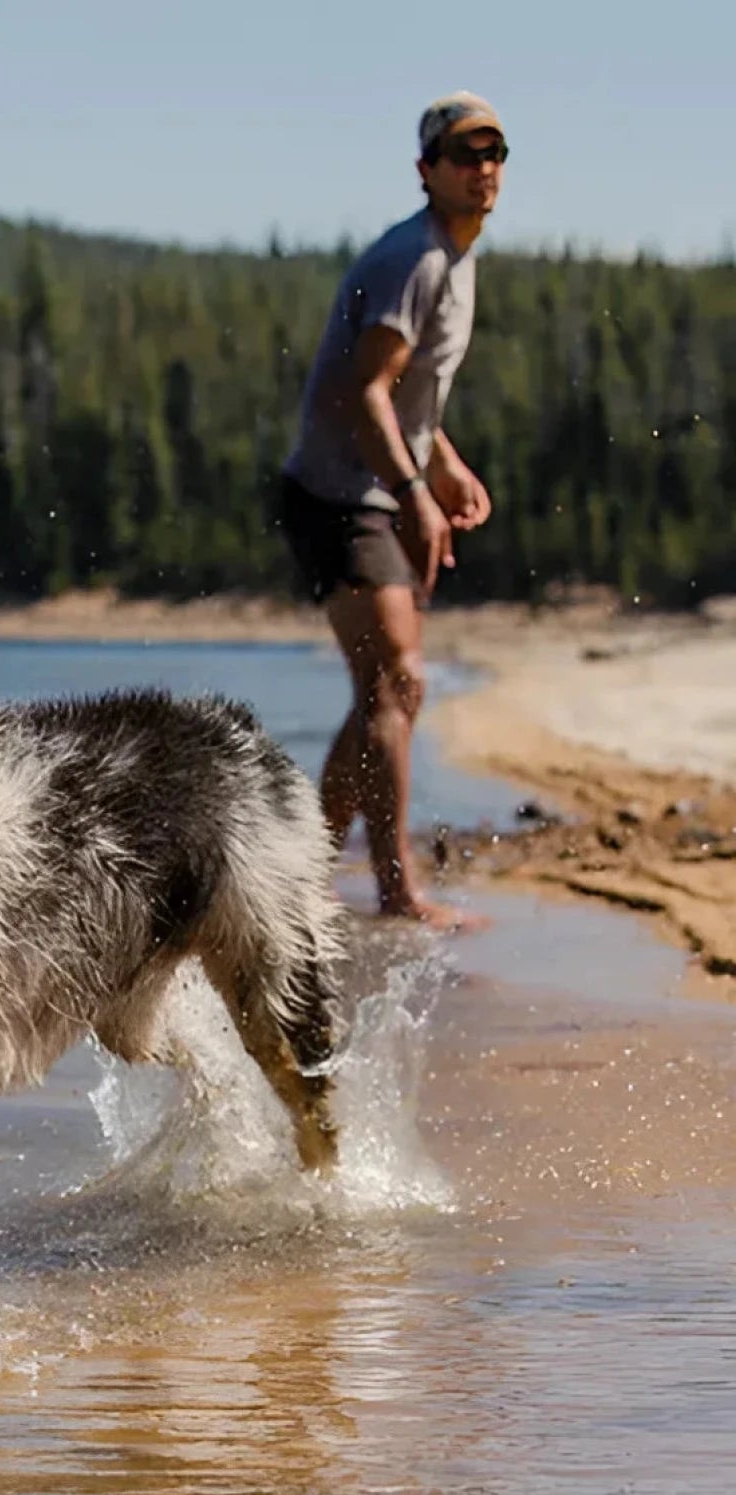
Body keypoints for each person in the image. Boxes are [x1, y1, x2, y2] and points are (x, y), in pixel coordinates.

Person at [279, 91, 507, 929]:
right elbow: (363, 391)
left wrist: (442, 466)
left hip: (373, 487)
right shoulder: (415, 258)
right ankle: (395, 890)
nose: (482, 168)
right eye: (462, 155)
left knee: (386, 689)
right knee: (397, 681)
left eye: (493, 153)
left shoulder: (455, 255)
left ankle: (298, 876)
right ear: (427, 171)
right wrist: (413, 493)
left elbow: (410, 399)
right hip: (341, 496)